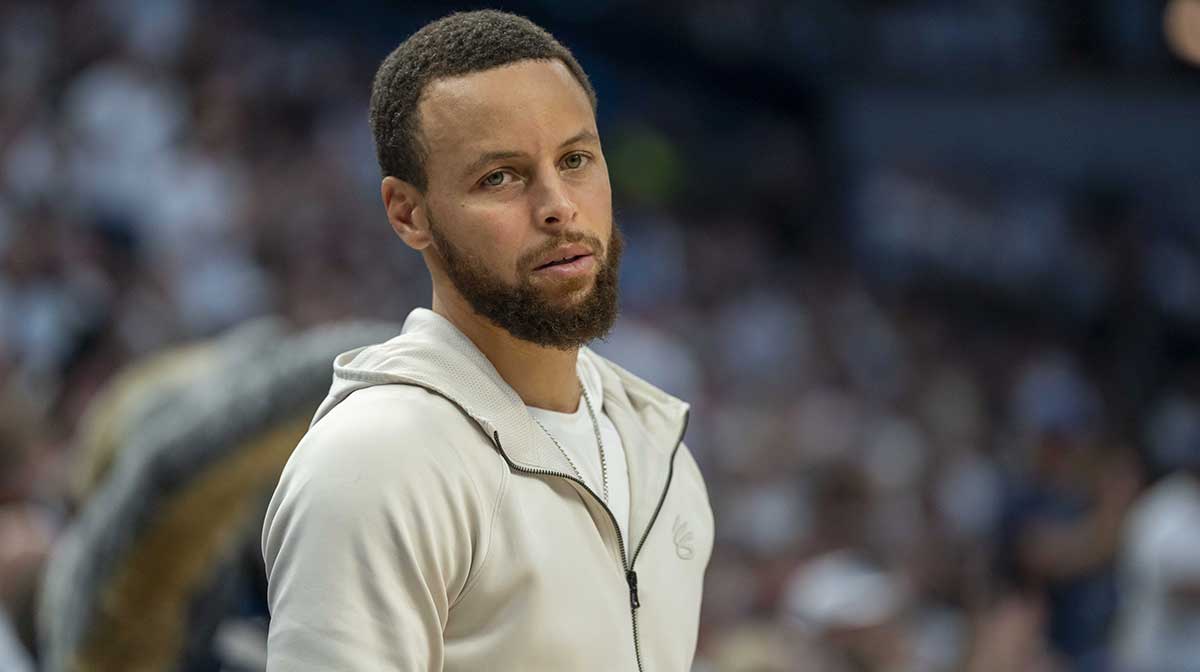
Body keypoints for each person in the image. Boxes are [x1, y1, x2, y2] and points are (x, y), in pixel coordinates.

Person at [260, 10, 714, 671]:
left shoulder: (660, 451)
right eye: (499, 177)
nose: (559, 205)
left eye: (577, 159)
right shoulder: (377, 464)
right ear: (408, 214)